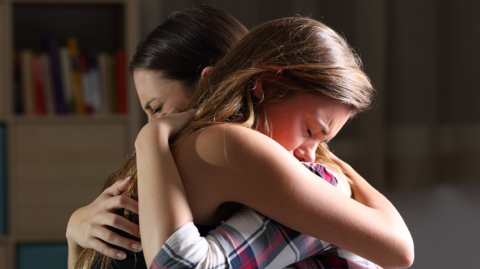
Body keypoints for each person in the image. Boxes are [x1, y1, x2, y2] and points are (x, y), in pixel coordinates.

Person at [135, 16, 414, 269]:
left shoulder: (190, 148)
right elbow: (399, 251)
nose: (310, 155)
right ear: (265, 83)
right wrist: (339, 176)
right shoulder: (226, 143)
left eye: (323, 142)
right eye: (309, 130)